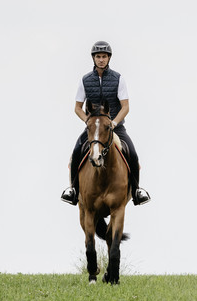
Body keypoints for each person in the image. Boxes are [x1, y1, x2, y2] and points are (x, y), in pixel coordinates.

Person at [60, 40, 151, 206]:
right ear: (93, 59)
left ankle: (137, 191)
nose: (101, 59)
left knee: (133, 153)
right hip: (94, 129)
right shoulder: (85, 80)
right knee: (76, 151)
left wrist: (114, 123)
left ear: (109, 58)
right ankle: (73, 190)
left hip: (116, 127)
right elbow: (77, 108)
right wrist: (88, 121)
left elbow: (125, 106)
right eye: (98, 56)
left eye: (104, 56)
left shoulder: (118, 79)